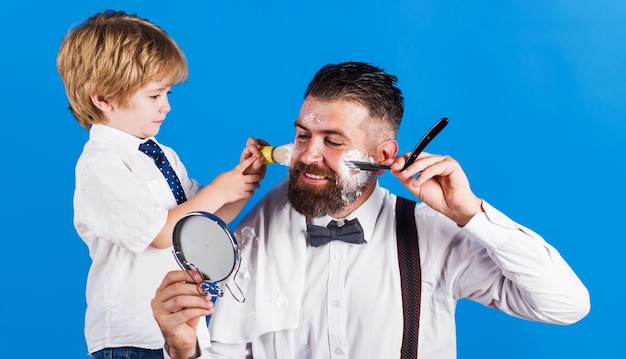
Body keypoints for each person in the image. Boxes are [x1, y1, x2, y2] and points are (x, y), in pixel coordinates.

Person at [151, 61, 590, 359]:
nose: (308, 154)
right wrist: (184, 347)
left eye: (333, 141)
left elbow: (565, 306)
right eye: (303, 135)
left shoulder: (429, 233)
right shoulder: (254, 231)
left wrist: (470, 213)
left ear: (383, 154)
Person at [56, 10, 266, 358]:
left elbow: (200, 222)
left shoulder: (159, 153)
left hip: (184, 332)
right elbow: (159, 233)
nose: (166, 107)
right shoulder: (101, 164)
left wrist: (243, 181)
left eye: (167, 94)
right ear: (103, 98)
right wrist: (220, 188)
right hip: (135, 338)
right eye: (154, 96)